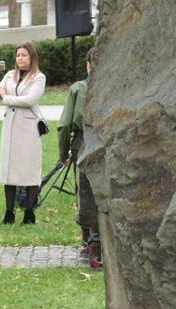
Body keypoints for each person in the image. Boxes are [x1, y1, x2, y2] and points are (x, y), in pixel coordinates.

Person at [0, 41, 46, 225]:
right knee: (9, 170)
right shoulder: (10, 75)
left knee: (30, 170)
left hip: (28, 128)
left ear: (31, 57)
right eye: (18, 55)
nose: (20, 58)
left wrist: (6, 97)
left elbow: (29, 100)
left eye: (24, 55)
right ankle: (9, 212)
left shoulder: (38, 77)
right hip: (11, 126)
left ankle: (29, 213)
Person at [59, 47, 100, 268]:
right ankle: (95, 245)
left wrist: (63, 152)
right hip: (106, 142)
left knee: (83, 193)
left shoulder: (78, 88)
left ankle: (89, 244)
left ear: (87, 65)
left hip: (83, 142)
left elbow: (65, 125)